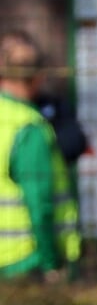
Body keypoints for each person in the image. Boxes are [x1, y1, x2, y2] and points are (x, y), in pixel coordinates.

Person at [0, 30, 79, 281]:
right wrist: (50, 263)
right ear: (37, 77)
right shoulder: (28, 126)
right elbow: (39, 201)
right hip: (25, 260)